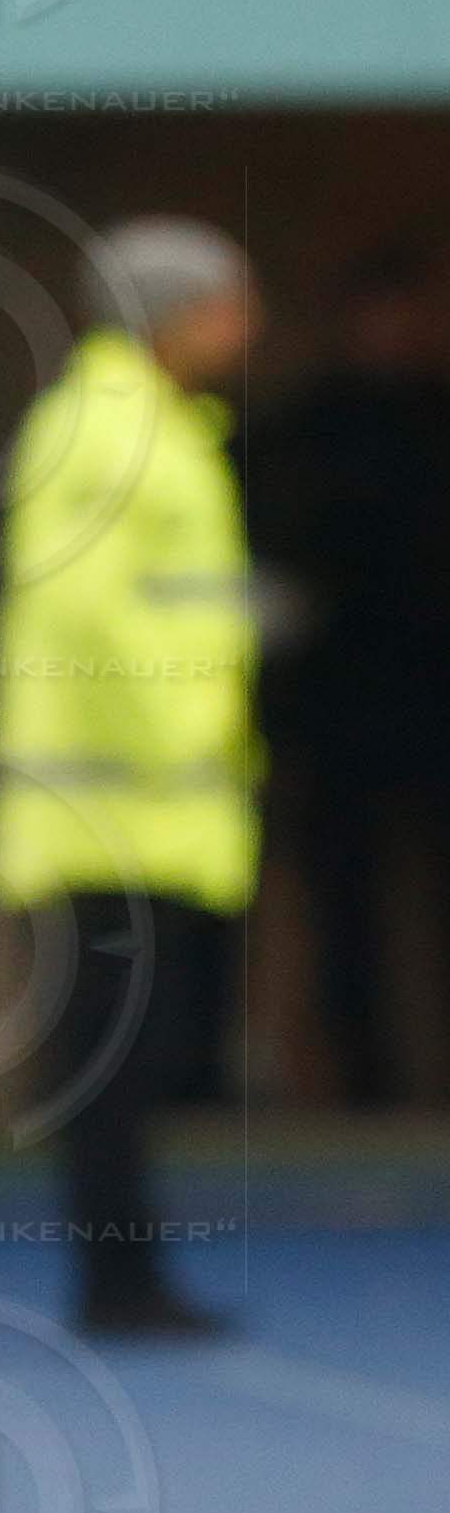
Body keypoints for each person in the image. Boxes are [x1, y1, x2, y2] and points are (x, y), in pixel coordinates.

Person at [0, 217, 261, 1337]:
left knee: (131, 1066)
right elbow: (94, 610)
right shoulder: (111, 432)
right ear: (175, 315)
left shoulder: (148, 423)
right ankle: (117, 1284)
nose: (245, 328)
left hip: (138, 809)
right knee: (111, 1069)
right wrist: (189, 727)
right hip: (112, 809)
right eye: (227, 304)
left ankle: (129, 1276)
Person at [235, 244, 444, 1109]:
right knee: (340, 904)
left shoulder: (434, 420)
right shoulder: (302, 429)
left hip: (431, 697)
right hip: (334, 707)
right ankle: (363, 1080)